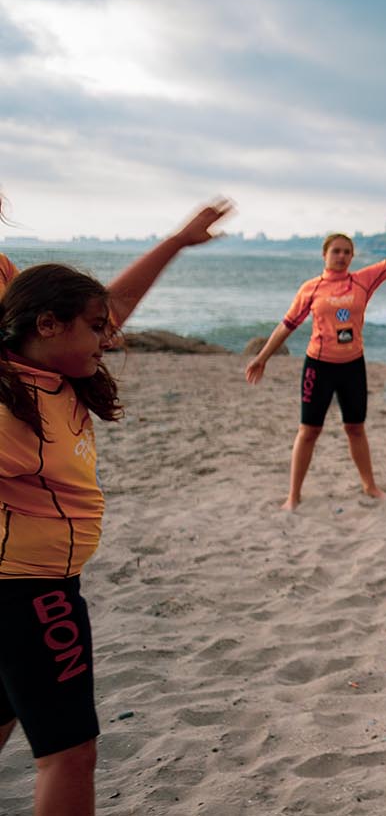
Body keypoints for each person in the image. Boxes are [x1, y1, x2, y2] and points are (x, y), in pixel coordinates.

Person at [0, 201, 232, 816]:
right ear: (47, 327)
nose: (111, 337)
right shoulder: (12, 399)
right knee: (69, 755)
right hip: (32, 592)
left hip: (27, 585)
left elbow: (108, 308)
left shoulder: (39, 343)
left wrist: (178, 241)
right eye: (97, 329)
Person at [244, 214, 386, 511]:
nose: (341, 256)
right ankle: (294, 495)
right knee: (309, 431)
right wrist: (262, 357)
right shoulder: (311, 289)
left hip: (353, 366)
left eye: (346, 252)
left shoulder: (363, 281)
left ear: (352, 257)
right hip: (318, 367)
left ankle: (370, 486)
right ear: (324, 255)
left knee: (356, 428)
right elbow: (287, 325)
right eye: (335, 251)